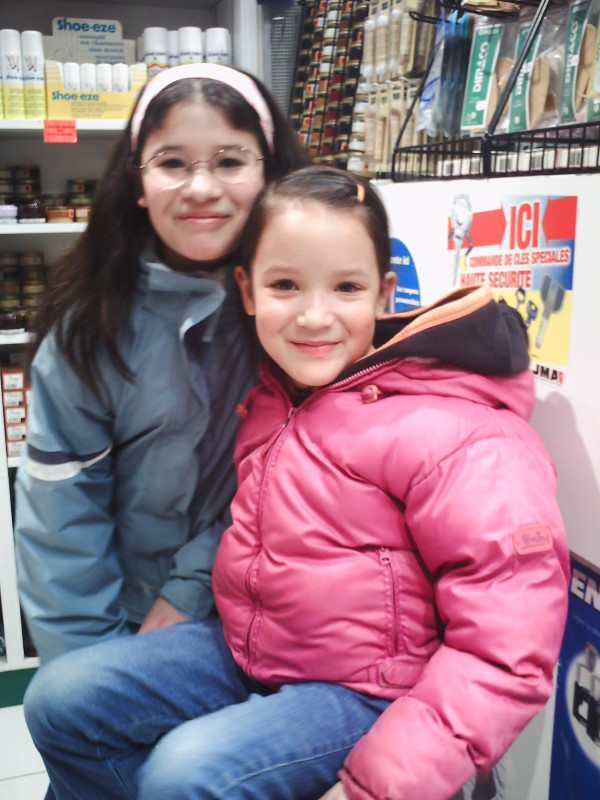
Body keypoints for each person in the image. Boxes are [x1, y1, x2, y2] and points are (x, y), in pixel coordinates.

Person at [23, 166, 570, 800]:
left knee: (184, 774)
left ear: (384, 293)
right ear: (247, 290)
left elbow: (506, 646)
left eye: (346, 287)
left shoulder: (459, 429)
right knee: (60, 702)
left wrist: (381, 784)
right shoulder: (274, 396)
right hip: (252, 653)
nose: (314, 315)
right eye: (285, 284)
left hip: (370, 690)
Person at [14, 62, 310, 665]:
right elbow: (61, 523)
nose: (201, 187)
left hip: (279, 616)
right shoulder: (89, 328)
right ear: (138, 183)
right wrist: (91, 671)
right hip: (127, 620)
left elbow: (304, 476)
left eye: (230, 161)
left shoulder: (303, 313)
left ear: (269, 173)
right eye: (173, 163)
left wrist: (191, 585)